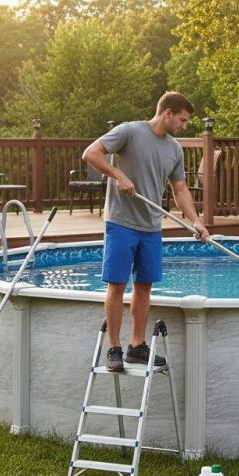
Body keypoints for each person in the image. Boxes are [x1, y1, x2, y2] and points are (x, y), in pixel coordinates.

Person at [82, 91, 209, 372]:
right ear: (167, 113)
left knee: (144, 286)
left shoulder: (174, 149)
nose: (183, 125)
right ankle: (114, 348)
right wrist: (119, 175)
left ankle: (136, 346)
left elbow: (180, 189)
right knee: (117, 285)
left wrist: (196, 221)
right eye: (182, 120)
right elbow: (91, 153)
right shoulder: (129, 131)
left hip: (151, 227)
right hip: (121, 222)